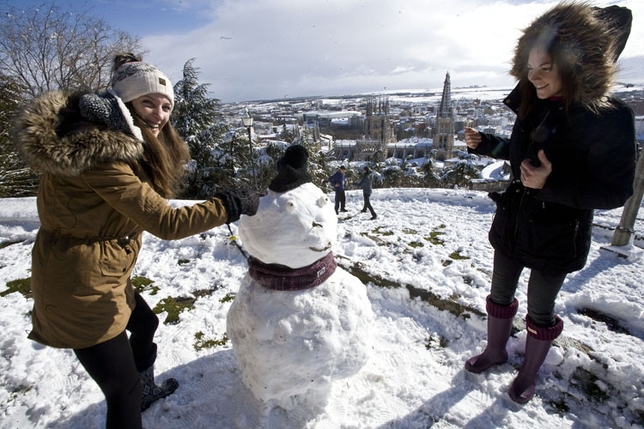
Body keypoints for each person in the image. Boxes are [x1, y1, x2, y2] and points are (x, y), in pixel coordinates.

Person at [11, 53, 261, 429]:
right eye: (148, 103)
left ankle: (142, 390)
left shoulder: (112, 140)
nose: (159, 115)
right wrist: (228, 206)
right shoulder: (100, 155)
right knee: (121, 392)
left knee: (144, 324)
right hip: (77, 287)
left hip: (102, 273)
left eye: (166, 106)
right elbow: (166, 222)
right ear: (123, 103)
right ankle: (135, 394)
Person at [462, 3, 636, 405]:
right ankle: (495, 350)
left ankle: (529, 370)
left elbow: (613, 191)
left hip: (557, 234)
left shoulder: (610, 118)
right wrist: (488, 145)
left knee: (541, 307)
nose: (532, 76)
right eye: (529, 66)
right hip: (514, 222)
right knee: (499, 294)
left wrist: (550, 184)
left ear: (575, 67)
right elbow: (521, 153)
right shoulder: (534, 99)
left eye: (544, 68)